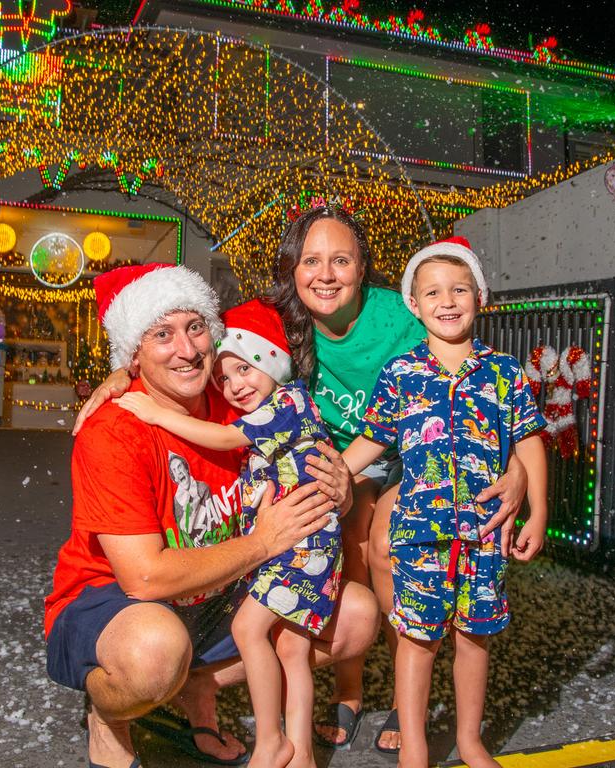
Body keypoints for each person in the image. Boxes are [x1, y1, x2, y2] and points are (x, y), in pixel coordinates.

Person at [73, 206, 529, 754]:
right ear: (292, 270)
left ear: (364, 268)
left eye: (341, 260)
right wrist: (120, 373)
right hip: (333, 458)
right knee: (347, 539)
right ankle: (335, 691)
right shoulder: (278, 319)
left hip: (408, 455)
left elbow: (476, 377)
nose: (326, 274)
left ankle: (394, 702)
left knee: (379, 545)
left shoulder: (405, 314)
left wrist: (518, 465)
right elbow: (188, 340)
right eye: (311, 260)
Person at [46, 263, 378, 768]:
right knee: (152, 655)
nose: (187, 349)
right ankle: (111, 713)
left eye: (195, 328)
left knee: (356, 616)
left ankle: (196, 683)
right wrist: (264, 543)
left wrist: (340, 491)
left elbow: (304, 455)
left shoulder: (234, 402)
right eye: (162, 334)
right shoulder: (116, 430)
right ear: (134, 351)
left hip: (219, 590)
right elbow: (144, 576)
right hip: (115, 599)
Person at [342, 236, 548, 768]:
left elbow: (529, 442)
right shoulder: (401, 374)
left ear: (480, 297)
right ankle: (414, 747)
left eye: (460, 289)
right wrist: (332, 473)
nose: (447, 301)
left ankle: (471, 741)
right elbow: (372, 440)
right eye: (432, 292)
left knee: (474, 639)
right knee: (417, 641)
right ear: (414, 305)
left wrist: (539, 510)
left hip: (485, 534)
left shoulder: (505, 373)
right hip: (418, 535)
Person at [115, 298, 341, 768]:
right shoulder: (281, 409)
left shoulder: (285, 404)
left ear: (273, 364)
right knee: (292, 648)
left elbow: (223, 438)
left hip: (302, 544)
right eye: (226, 377)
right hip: (301, 543)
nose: (235, 386)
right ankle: (299, 753)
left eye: (246, 371)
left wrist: (156, 415)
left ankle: (271, 742)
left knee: (247, 627)